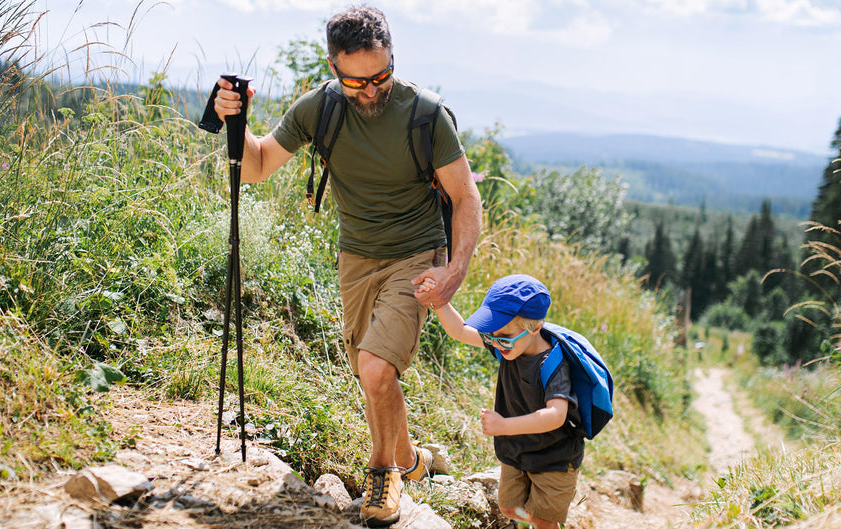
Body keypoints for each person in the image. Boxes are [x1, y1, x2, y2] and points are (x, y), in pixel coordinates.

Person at [213, 6, 482, 527]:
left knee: (378, 368)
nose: (371, 89)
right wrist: (236, 121)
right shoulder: (321, 107)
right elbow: (258, 166)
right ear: (334, 66)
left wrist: (455, 271)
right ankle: (412, 461)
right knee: (370, 373)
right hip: (356, 258)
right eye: (357, 80)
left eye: (381, 75)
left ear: (391, 58)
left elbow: (465, 197)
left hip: (417, 255)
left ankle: (384, 476)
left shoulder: (425, 113)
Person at [416, 274, 582, 529]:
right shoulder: (504, 342)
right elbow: (460, 330)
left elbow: (556, 415)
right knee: (507, 508)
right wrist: (439, 302)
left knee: (544, 522)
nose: (494, 342)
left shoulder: (553, 364)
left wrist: (504, 426)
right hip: (517, 451)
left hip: (555, 457)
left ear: (535, 328)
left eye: (502, 337)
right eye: (491, 335)